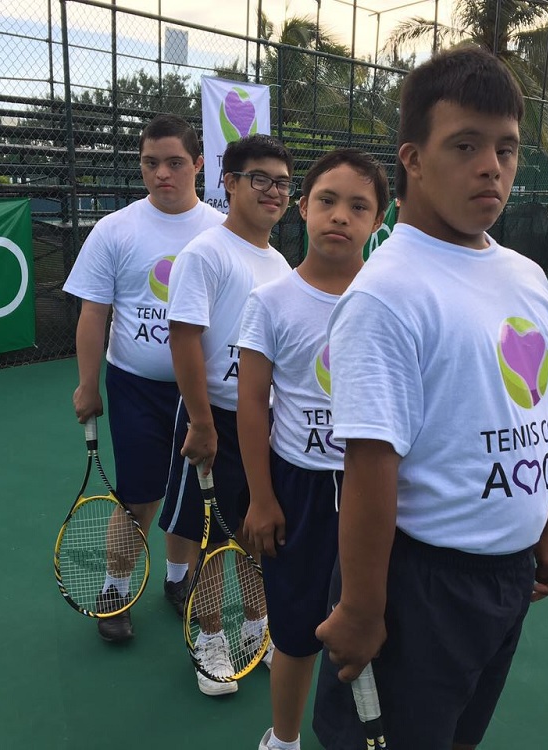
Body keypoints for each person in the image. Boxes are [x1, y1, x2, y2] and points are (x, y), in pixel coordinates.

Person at [311, 45, 548, 749]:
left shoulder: (525, 276)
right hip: (421, 586)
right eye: (464, 145)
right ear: (412, 158)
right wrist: (361, 608)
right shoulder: (388, 292)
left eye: (506, 148)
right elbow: (370, 463)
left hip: (509, 578)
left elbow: (543, 408)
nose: (491, 165)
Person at [237, 149, 389, 750]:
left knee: (375, 623)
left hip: (375, 488)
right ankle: (285, 738)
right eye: (327, 200)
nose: (340, 216)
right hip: (298, 489)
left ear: (378, 221)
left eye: (359, 206)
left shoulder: (388, 299)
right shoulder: (272, 301)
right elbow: (252, 405)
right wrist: (262, 498)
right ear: (302, 207)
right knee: (297, 631)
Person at [62, 114, 224, 643]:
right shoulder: (115, 229)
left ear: (198, 164)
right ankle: (115, 588)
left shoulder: (223, 231)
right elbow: (94, 313)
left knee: (192, 497)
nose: (162, 174)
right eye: (150, 163)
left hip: (201, 393)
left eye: (175, 163)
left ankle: (179, 581)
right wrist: (89, 385)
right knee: (139, 495)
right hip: (133, 386)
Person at [158, 133, 295, 696]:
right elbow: (183, 338)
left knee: (258, 535)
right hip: (212, 416)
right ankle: (209, 640)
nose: (273, 191)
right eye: (259, 179)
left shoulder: (281, 262)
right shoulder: (206, 253)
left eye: (283, 182)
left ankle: (256, 629)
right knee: (210, 537)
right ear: (230, 183)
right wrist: (202, 422)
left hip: (264, 423)